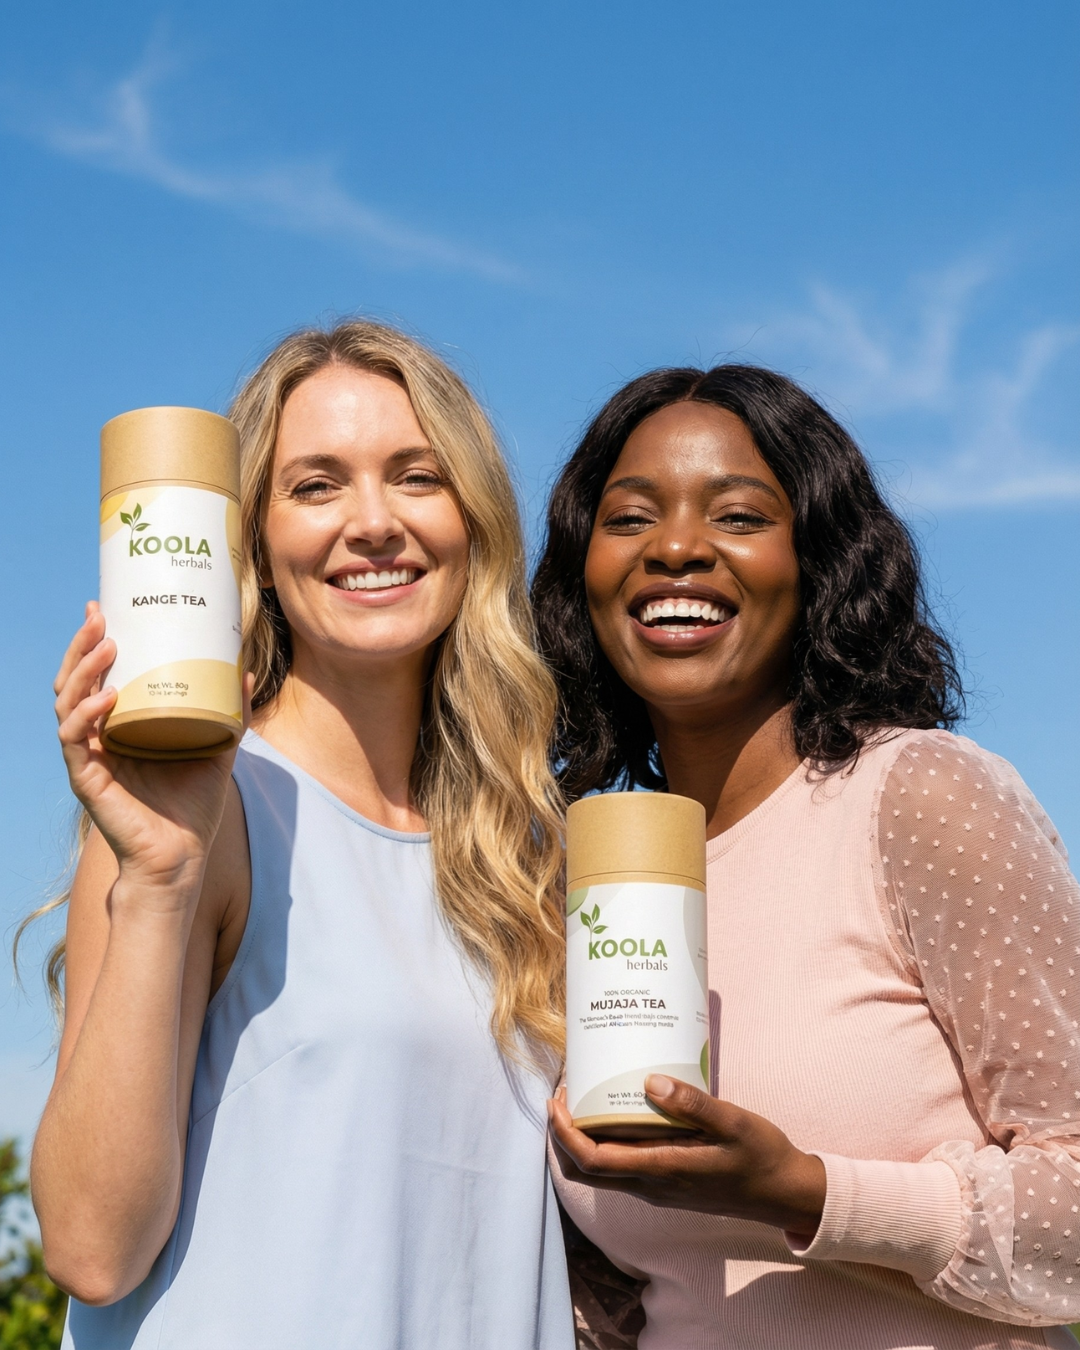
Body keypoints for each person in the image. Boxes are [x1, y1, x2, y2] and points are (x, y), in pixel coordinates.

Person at [28, 321, 575, 1349]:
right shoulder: (204, 812)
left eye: (416, 476)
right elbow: (92, 1248)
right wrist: (156, 877)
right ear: (258, 543)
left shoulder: (522, 862)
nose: (372, 522)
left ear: (472, 516)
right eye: (317, 486)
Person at [532, 364, 1080, 1350]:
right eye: (629, 519)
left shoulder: (920, 797)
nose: (677, 549)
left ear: (818, 563)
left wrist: (804, 1192)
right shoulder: (593, 894)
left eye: (737, 516)